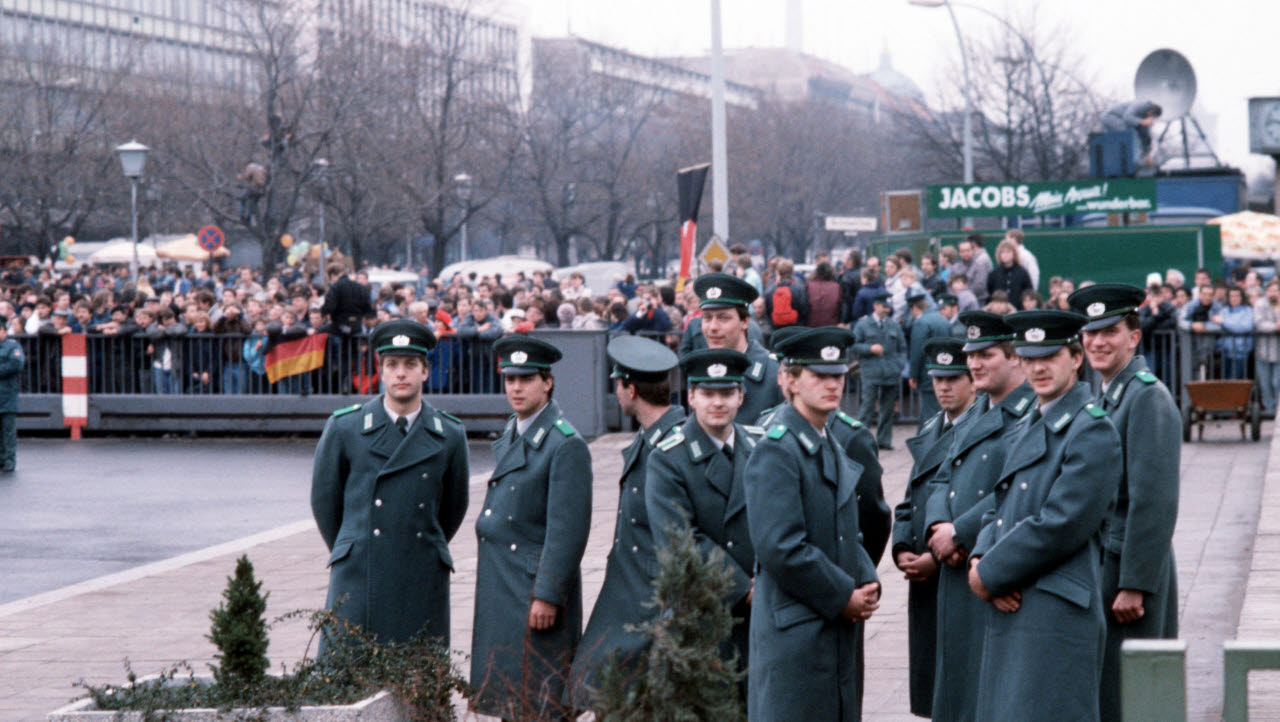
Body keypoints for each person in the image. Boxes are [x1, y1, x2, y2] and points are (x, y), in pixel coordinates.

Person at [968, 310, 1122, 722]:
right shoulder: (1027, 424)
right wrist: (980, 558)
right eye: (1030, 358)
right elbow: (998, 506)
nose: (1038, 368)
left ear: (1075, 359)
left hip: (1056, 613)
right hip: (1017, 600)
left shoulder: (1092, 429)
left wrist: (991, 573)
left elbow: (1062, 523)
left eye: (1050, 357)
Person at [746, 327, 881, 721]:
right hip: (796, 632)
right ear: (789, 380)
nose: (832, 385)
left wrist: (866, 576)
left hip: (828, 629)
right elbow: (780, 548)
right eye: (819, 375)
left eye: (837, 375)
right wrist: (844, 595)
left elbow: (846, 530)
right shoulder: (777, 449)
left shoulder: (828, 441)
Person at [310, 319, 470, 648]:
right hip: (360, 573)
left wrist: (415, 539)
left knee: (418, 680)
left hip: (421, 572)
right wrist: (353, 545)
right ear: (381, 372)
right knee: (349, 675)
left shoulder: (450, 434)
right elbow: (325, 502)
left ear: (425, 372)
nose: (401, 374)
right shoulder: (346, 428)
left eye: (411, 365)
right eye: (392, 365)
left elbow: (454, 506)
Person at [1068, 284, 1181, 722]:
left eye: (1110, 331)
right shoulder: (1110, 394)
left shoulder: (1146, 397)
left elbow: (1154, 500)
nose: (1097, 342)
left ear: (1134, 336)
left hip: (1132, 569)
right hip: (1109, 563)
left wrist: (1135, 582)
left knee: (1135, 695)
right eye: (1090, 333)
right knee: (1110, 688)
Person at [471, 336, 592, 720]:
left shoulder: (563, 443)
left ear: (548, 382)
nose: (517, 388)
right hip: (505, 586)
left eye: (526, 379)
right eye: (510, 380)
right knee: (512, 695)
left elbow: (568, 529)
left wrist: (548, 594)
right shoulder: (515, 430)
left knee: (541, 698)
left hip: (531, 589)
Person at [924, 311, 1035, 722]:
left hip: (994, 570)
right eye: (971, 355)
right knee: (957, 691)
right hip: (956, 572)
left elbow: (1019, 493)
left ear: (1015, 359)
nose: (973, 364)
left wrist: (960, 532)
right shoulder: (973, 412)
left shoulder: (1028, 414)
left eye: (986, 354)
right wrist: (937, 527)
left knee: (987, 696)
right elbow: (939, 479)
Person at [569, 337, 684, 708]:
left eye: (617, 385)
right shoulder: (651, 437)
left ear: (630, 390)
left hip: (650, 595)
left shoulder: (673, 444)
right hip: (630, 588)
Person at [646, 347, 761, 692]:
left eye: (727, 393)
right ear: (691, 397)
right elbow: (680, 540)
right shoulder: (668, 459)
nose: (718, 403)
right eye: (707, 393)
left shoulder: (762, 447)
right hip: (706, 611)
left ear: (741, 396)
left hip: (764, 609)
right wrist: (745, 587)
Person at [893, 336, 977, 718]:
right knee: (932, 683)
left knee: (961, 683)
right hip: (923, 577)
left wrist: (935, 557)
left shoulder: (982, 429)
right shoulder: (931, 428)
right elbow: (909, 498)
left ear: (973, 380)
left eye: (953, 379)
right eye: (937, 379)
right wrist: (901, 548)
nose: (943, 387)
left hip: (956, 569)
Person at [689, 273, 782, 423]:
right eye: (707, 318)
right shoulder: (699, 370)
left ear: (744, 322)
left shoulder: (775, 374)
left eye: (723, 318)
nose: (712, 327)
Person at [853, 291, 907, 450]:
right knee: (867, 408)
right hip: (871, 371)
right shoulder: (863, 324)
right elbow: (854, 346)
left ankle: (884, 440)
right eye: (884, 307)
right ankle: (861, 442)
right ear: (875, 306)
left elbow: (902, 348)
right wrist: (869, 348)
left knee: (887, 408)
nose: (887, 310)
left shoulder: (894, 325)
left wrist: (899, 365)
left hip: (890, 372)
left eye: (888, 307)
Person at [907, 291, 955, 427]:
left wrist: (913, 375)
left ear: (915, 308)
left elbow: (917, 351)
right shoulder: (944, 320)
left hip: (927, 373)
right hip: (945, 370)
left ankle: (926, 444)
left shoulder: (921, 322)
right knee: (938, 410)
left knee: (929, 412)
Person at [1215, 285, 1254, 379]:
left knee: (1236, 381)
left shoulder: (1248, 310)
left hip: (1241, 353)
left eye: (1237, 295)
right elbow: (1217, 326)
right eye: (1231, 296)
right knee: (1225, 382)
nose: (1234, 298)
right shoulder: (1224, 310)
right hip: (1225, 352)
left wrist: (1224, 322)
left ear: (1242, 297)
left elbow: (1245, 327)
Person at [0, 318, 23, 472]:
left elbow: (15, 364)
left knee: (8, 431)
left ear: (4, 331)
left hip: (7, 395)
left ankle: (9, 460)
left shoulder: (12, 346)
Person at [1254, 280, 1280, 415]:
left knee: (1277, 381)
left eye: (1276, 290)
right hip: (1263, 349)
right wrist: (1275, 327)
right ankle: (1269, 409)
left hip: (1278, 350)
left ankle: (1277, 409)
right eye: (1270, 290)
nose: (1273, 293)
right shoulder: (1260, 304)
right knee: (1265, 382)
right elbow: (1259, 323)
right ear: (1266, 292)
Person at [987, 239, 1034, 308]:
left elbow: (1028, 292)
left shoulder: (1022, 272)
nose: (1005, 255)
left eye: (1008, 252)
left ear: (1014, 254)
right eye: (1002, 252)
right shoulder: (994, 273)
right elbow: (990, 292)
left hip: (1018, 312)